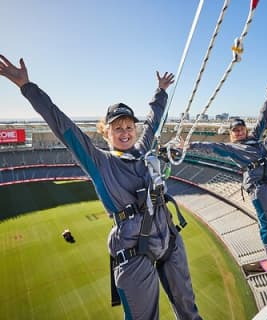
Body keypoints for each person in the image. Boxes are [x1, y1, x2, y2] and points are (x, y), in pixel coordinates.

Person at [0, 55, 202, 320]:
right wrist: (27, 87)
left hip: (168, 238)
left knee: (189, 309)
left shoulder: (142, 151)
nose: (125, 131)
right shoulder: (100, 162)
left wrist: (160, 92)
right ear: (106, 133)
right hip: (134, 252)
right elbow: (63, 126)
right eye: (117, 127)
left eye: (129, 126)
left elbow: (153, 121)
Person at [187, 82, 267, 296]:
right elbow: (210, 146)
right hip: (258, 187)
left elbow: (263, 119)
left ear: (245, 129)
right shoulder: (231, 148)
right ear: (231, 134)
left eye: (240, 129)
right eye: (234, 130)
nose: (238, 132)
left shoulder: (255, 138)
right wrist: (190, 146)